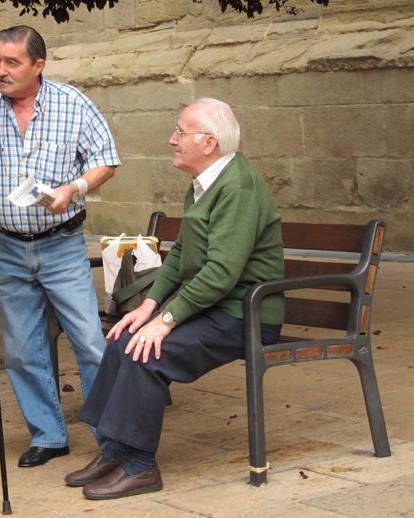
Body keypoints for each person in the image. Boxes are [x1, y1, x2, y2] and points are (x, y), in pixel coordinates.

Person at [64, 98, 285, 500]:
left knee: (147, 354)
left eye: (180, 132)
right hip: (216, 307)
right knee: (121, 337)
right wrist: (149, 307)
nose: (172, 140)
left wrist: (165, 321)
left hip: (244, 314)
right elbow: (181, 254)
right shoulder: (204, 183)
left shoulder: (238, 187)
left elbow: (221, 273)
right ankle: (115, 449)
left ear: (209, 143)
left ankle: (140, 466)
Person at [0, 25, 120, 468]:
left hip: (62, 245)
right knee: (23, 349)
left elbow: (106, 159)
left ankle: (114, 438)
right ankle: (48, 436)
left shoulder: (72, 103)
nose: (0, 71)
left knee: (89, 342)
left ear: (38, 65)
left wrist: (74, 187)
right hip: (5, 247)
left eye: (12, 63)